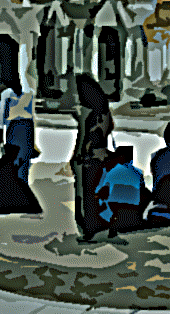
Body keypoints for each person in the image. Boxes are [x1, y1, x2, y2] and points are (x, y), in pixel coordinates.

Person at [70, 74, 114, 241]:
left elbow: (89, 139)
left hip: (90, 160)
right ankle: (105, 225)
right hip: (102, 157)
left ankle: (89, 229)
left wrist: (79, 156)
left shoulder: (93, 114)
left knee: (88, 197)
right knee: (100, 195)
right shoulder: (104, 111)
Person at [95, 145, 150, 243]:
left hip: (116, 211)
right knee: (146, 193)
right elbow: (142, 190)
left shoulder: (111, 172)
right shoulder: (139, 172)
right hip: (133, 211)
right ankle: (137, 216)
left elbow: (100, 192)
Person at [0, 79, 36, 184]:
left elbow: (2, 118)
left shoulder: (8, 95)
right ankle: (19, 185)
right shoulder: (25, 94)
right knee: (19, 162)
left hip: (19, 129)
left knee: (19, 161)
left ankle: (18, 185)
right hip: (20, 129)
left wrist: (0, 138)